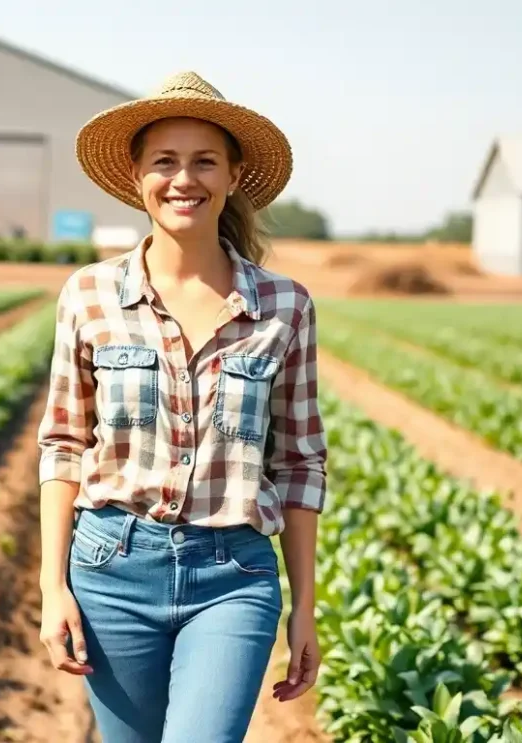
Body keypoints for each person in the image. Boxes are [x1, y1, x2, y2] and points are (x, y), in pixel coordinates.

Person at [35, 70, 328, 743]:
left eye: (205, 162)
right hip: (111, 569)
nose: (183, 179)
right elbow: (63, 444)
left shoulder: (285, 306)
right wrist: (53, 588)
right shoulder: (89, 294)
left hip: (234, 576)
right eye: (164, 161)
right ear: (137, 175)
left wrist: (305, 607)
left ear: (233, 176)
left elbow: (300, 463)